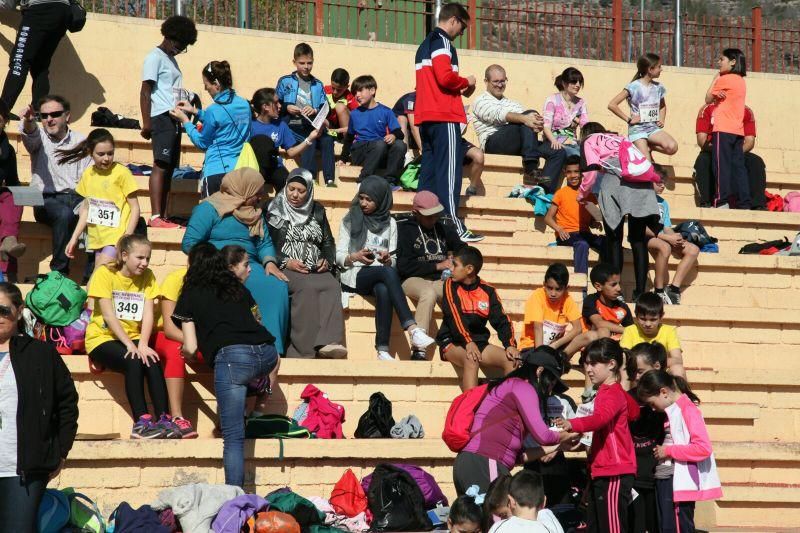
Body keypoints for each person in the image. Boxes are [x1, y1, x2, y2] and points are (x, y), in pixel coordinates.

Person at [174, 243, 279, 488]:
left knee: (233, 437)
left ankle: (234, 497)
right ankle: (259, 384)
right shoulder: (237, 288)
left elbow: (190, 345)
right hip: (267, 353)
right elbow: (258, 320)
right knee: (248, 372)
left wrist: (188, 355)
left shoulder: (190, 293)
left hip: (232, 360)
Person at [182, 168, 290, 355]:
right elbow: (189, 243)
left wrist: (269, 262)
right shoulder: (210, 208)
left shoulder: (255, 212)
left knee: (275, 285)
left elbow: (264, 243)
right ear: (245, 190)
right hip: (217, 264)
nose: (260, 196)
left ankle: (271, 348)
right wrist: (215, 261)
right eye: (256, 192)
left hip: (248, 264)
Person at [0, 282, 78, 533]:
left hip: (22, 469)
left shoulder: (41, 353)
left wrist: (60, 451)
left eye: (3, 310)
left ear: (18, 310)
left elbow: (67, 404)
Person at [86, 234, 178, 439]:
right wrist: (130, 345)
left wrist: (143, 343)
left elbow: (147, 314)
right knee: (134, 360)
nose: (144, 263)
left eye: (148, 258)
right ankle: (141, 423)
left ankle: (164, 419)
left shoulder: (148, 276)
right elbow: (108, 315)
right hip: (103, 338)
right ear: (125, 255)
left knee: (151, 359)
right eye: (140, 258)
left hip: (134, 336)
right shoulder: (105, 274)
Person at [336, 176, 435, 360]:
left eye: (369, 199)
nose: (364, 203)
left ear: (381, 200)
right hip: (355, 273)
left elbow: (394, 258)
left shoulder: (389, 223)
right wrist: (354, 256)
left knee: (383, 289)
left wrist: (388, 259)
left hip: (380, 274)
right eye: (362, 197)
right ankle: (412, 329)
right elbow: (338, 255)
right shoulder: (350, 219)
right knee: (387, 273)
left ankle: (382, 349)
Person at [453, 349, 572, 495]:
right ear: (540, 371)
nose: (551, 389)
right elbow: (544, 436)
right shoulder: (523, 387)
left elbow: (517, 457)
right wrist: (570, 433)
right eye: (552, 380)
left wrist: (558, 445)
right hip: (485, 462)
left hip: (475, 463)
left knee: (478, 518)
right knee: (498, 517)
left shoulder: (512, 386)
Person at [414, 2, 482, 242]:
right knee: (449, 175)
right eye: (462, 27)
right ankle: (453, 225)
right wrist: (467, 81)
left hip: (427, 117)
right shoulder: (443, 42)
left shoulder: (425, 44)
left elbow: (436, 81)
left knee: (429, 174)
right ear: (453, 20)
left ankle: (422, 221)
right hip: (444, 116)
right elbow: (445, 78)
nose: (461, 33)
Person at [556, 338, 638, 533]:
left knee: (612, 528)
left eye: (593, 363)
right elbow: (634, 412)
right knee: (596, 526)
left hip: (613, 471)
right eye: (586, 364)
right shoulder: (610, 392)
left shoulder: (611, 393)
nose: (588, 369)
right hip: (602, 469)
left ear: (611, 364)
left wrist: (572, 424)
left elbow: (600, 419)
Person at [267, 168, 347, 359]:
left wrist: (326, 260)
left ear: (309, 191)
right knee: (307, 288)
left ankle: (329, 342)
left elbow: (328, 242)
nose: (295, 194)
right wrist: (286, 262)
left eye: (301, 191)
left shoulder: (317, 211)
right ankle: (303, 350)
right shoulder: (273, 210)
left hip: (314, 267)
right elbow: (266, 244)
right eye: (291, 189)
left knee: (331, 284)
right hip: (288, 266)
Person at [579, 122, 661, 301]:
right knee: (638, 240)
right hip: (642, 184)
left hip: (614, 181)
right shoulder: (619, 137)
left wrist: (582, 195)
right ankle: (641, 292)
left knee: (614, 239)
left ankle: (617, 292)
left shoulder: (589, 141)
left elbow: (591, 172)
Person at [638, 370, 722, 533]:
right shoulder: (673, 411)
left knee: (677, 528)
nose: (653, 409)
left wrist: (669, 450)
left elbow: (703, 448)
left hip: (677, 482)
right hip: (667, 479)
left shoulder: (688, 410)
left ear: (663, 392)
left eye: (652, 404)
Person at [19, 95, 90, 274]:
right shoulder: (39, 137)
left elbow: (89, 179)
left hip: (75, 198)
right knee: (64, 214)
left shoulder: (81, 142)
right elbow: (30, 133)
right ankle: (59, 272)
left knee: (98, 212)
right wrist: (28, 120)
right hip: (45, 199)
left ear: (67, 116)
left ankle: (93, 275)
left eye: (55, 114)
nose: (49, 119)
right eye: (44, 116)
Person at [140, 15, 198, 229]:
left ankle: (163, 216)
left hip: (174, 118)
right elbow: (146, 90)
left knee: (170, 168)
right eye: (179, 44)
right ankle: (155, 216)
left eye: (184, 46)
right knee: (161, 165)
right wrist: (146, 123)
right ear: (169, 37)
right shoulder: (154, 57)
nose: (180, 49)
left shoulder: (171, 61)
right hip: (161, 117)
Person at [472, 64, 565, 193]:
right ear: (486, 81)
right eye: (496, 81)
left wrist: (537, 123)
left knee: (557, 152)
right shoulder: (480, 101)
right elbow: (498, 115)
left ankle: (544, 191)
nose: (500, 85)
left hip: (521, 145)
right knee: (526, 116)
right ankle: (531, 165)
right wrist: (526, 119)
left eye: (503, 81)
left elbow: (528, 122)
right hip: (493, 144)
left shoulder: (513, 103)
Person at [438, 246, 519, 391]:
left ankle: (506, 408)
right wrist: (468, 342)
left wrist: (510, 344)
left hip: (478, 343)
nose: (451, 269)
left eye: (455, 265)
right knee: (471, 359)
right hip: (452, 342)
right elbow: (453, 316)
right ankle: (470, 411)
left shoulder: (488, 290)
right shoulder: (450, 284)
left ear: (469, 269)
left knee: (512, 360)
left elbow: (501, 320)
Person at [396, 190, 464, 361]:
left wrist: (455, 260)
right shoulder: (405, 230)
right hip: (411, 279)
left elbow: (464, 249)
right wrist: (437, 265)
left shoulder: (442, 228)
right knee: (428, 293)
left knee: (456, 291)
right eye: (428, 216)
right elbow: (404, 266)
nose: (433, 219)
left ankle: (456, 341)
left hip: (436, 280)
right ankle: (419, 350)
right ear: (415, 213)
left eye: (436, 215)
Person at [62, 129, 141, 273]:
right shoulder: (88, 174)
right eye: (101, 154)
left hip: (116, 237)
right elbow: (86, 210)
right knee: (102, 281)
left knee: (97, 277)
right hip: (97, 238)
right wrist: (74, 238)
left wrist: (126, 237)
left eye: (110, 153)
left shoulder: (122, 173)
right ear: (90, 152)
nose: (106, 158)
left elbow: (135, 207)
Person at [171, 60, 251, 197]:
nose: (205, 89)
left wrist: (185, 121)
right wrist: (196, 111)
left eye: (207, 85)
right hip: (240, 172)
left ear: (216, 84)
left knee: (213, 216)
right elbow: (224, 121)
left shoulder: (214, 110)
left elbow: (203, 143)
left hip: (217, 173)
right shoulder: (244, 105)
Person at [392, 90, 486, 196]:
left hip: (451, 137)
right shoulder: (412, 99)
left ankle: (472, 189)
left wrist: (463, 122)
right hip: (424, 138)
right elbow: (415, 127)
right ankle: (407, 156)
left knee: (479, 156)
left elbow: (460, 130)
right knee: (402, 118)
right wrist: (424, 151)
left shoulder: (447, 99)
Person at [222, 244, 278, 416]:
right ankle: (246, 413)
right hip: (229, 350)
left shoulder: (246, 293)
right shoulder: (221, 293)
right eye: (246, 265)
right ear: (231, 268)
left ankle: (256, 414)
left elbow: (257, 321)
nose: (250, 269)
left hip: (246, 349)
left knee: (274, 358)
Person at [276, 43, 333, 186]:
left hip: (312, 122)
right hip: (292, 123)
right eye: (302, 63)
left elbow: (326, 107)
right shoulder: (285, 81)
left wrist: (314, 110)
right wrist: (287, 107)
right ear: (294, 62)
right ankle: (311, 177)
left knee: (327, 140)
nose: (306, 67)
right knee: (309, 139)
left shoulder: (317, 84)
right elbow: (275, 103)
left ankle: (330, 179)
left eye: (309, 63)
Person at [625, 342, 668, 533]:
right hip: (632, 478)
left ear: (656, 367)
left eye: (641, 371)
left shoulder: (667, 399)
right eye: (633, 371)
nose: (636, 376)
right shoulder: (626, 398)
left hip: (658, 477)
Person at [154, 260, 198, 439]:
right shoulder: (175, 280)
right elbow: (169, 329)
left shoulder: (212, 283)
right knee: (175, 351)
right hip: (164, 334)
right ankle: (177, 417)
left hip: (194, 338)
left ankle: (228, 419)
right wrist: (194, 343)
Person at [693, 101, 765, 209]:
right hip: (713, 151)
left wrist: (732, 154)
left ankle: (757, 205)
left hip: (737, 152)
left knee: (755, 161)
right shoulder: (707, 109)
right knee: (703, 160)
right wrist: (722, 151)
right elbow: (701, 140)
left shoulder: (746, 111)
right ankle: (706, 203)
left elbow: (750, 141)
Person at [0, 0, 70, 111]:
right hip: (63, 12)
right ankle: (38, 112)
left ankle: (2, 110)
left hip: (40, 11)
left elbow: (7, 4)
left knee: (19, 62)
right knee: (40, 66)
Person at [607, 53, 678, 162]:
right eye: (659, 67)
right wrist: (629, 119)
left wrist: (662, 119)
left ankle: (649, 147)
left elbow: (663, 106)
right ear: (650, 69)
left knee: (672, 147)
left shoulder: (659, 87)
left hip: (652, 129)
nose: (661, 69)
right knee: (647, 163)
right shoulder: (633, 86)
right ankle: (639, 146)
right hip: (638, 130)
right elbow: (612, 104)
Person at [518, 263, 596, 360]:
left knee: (590, 336)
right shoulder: (537, 296)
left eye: (558, 289)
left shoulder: (567, 299)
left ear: (566, 288)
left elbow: (578, 328)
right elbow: (538, 327)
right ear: (544, 284)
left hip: (554, 347)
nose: (553, 294)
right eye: (549, 288)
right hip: (532, 347)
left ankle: (560, 361)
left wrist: (554, 346)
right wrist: (540, 356)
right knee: (541, 358)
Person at [249, 87, 320, 191]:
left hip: (275, 167)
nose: (280, 106)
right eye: (276, 103)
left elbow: (291, 152)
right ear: (265, 107)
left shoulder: (281, 125)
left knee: (286, 184)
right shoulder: (250, 125)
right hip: (255, 167)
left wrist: (309, 138)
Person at [705, 48, 750, 209]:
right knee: (738, 167)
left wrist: (715, 78)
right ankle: (744, 202)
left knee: (721, 165)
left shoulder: (725, 79)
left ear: (732, 62)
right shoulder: (740, 80)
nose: (719, 62)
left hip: (723, 129)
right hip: (737, 130)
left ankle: (721, 200)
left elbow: (707, 98)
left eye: (721, 59)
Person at [340, 75, 407, 185]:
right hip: (361, 152)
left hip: (380, 152)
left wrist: (393, 136)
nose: (357, 95)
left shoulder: (386, 111)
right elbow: (349, 138)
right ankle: (363, 180)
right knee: (380, 144)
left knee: (400, 145)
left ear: (372, 90)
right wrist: (343, 158)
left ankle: (390, 182)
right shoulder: (355, 114)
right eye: (355, 92)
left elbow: (399, 133)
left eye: (360, 91)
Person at [543, 155, 604, 274]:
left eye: (576, 171)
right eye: (569, 172)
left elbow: (588, 217)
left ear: (582, 173)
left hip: (585, 233)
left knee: (607, 244)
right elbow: (548, 218)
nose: (573, 175)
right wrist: (559, 229)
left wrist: (594, 222)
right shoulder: (561, 193)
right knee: (582, 245)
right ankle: (581, 285)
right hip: (567, 235)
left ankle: (605, 279)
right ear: (564, 173)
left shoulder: (588, 194)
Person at [647, 170, 699, 306]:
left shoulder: (663, 202)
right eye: (659, 182)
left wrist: (675, 237)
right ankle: (658, 291)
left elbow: (666, 226)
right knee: (665, 247)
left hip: (662, 235)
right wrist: (667, 238)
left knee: (693, 249)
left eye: (664, 182)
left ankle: (674, 289)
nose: (662, 185)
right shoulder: (642, 199)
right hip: (647, 236)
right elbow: (642, 228)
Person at [620, 292, 685, 379]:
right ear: (636, 315)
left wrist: (651, 364)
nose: (647, 324)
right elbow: (624, 358)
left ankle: (681, 393)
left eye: (653, 319)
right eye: (642, 319)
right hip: (637, 375)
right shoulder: (630, 330)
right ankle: (623, 393)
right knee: (624, 370)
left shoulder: (669, 331)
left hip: (659, 377)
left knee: (678, 369)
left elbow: (678, 360)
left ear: (661, 316)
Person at [487, 471, 565, 533]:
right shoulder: (549, 527)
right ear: (544, 502)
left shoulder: (499, 528)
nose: (502, 519)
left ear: (511, 502)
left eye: (504, 515)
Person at [0, 101, 25, 280]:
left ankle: (9, 240)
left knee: (14, 195)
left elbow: (13, 182)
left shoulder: (6, 149)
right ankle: (7, 274)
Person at [542, 67, 588, 159]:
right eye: (574, 81)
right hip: (554, 144)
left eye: (580, 82)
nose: (578, 85)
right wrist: (554, 142)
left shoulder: (581, 103)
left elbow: (586, 127)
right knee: (577, 156)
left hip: (574, 144)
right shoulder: (552, 100)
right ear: (564, 83)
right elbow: (546, 127)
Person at [581, 263, 633, 343]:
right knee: (603, 331)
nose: (619, 288)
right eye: (613, 285)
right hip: (591, 349)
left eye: (619, 283)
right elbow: (599, 323)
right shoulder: (591, 301)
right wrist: (626, 330)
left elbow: (632, 330)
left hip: (613, 347)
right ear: (598, 286)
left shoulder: (623, 307)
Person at [324, 67, 358, 140]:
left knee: (340, 106)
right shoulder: (325, 90)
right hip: (330, 127)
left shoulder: (350, 98)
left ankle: (347, 141)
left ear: (347, 87)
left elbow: (358, 117)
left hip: (344, 130)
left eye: (339, 90)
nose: (335, 92)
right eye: (333, 88)